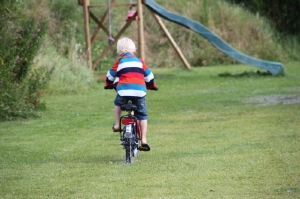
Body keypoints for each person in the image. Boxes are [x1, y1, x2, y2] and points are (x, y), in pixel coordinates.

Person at [105, 37, 157, 151]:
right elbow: (149, 77)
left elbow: (110, 76)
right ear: (134, 50)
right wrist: (151, 86)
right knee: (142, 115)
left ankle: (118, 124)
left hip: (123, 92)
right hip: (139, 92)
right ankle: (143, 139)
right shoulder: (140, 62)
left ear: (119, 52)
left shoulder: (119, 62)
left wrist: (108, 84)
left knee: (118, 103)